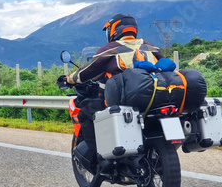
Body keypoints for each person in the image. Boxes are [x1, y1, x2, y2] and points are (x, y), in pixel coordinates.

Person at [60, 14, 164, 165]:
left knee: (84, 114)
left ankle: (99, 157)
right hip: (153, 99)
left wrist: (69, 79)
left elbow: (87, 71)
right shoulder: (151, 47)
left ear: (114, 30)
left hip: (123, 100)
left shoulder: (111, 49)